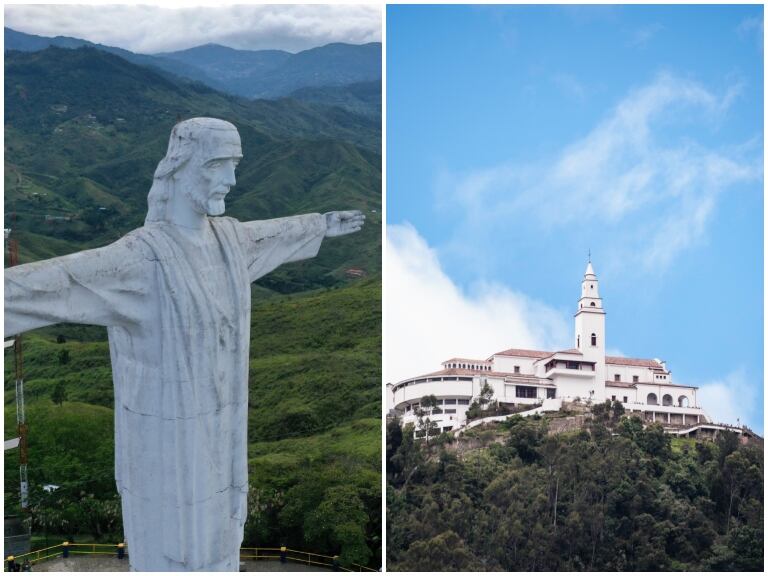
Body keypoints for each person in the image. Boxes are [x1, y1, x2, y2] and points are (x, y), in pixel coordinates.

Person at [4, 118, 364, 571]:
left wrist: (321, 225)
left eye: (234, 165)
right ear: (180, 167)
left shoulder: (229, 241)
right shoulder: (142, 260)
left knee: (221, 538)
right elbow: (56, 282)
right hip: (165, 450)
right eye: (217, 165)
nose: (230, 181)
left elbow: (271, 235)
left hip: (223, 435)